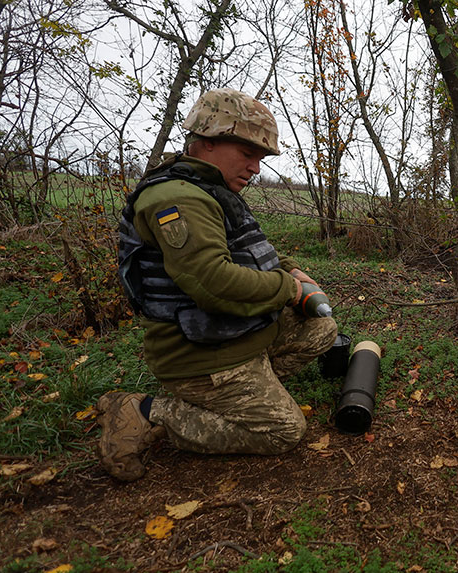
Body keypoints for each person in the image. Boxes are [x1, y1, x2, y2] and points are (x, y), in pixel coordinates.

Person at [96, 88, 338, 481]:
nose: (256, 168)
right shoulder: (177, 198)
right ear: (208, 140)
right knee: (284, 430)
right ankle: (146, 411)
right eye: (248, 154)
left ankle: (242, 394)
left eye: (260, 158)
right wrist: (288, 290)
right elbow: (213, 282)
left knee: (321, 328)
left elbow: (246, 253)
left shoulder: (210, 189)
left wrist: (290, 270)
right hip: (199, 352)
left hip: (232, 333)